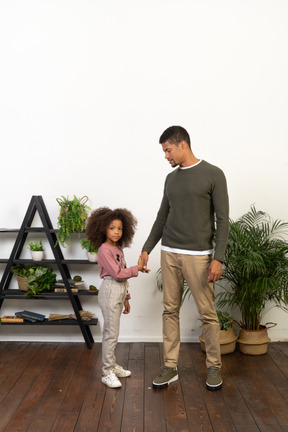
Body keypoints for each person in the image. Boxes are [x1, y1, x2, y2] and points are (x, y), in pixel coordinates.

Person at [141, 125, 229, 391]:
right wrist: (147, 248)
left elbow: (223, 219)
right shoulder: (171, 179)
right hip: (169, 252)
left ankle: (214, 368)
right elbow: (161, 217)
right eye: (164, 151)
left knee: (208, 314)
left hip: (200, 257)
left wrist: (219, 257)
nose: (166, 156)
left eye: (168, 150)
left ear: (182, 145)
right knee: (170, 310)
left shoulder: (213, 174)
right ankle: (170, 366)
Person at [86, 207, 148, 388]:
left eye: (119, 228)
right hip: (110, 290)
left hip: (119, 291)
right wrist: (138, 268)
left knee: (113, 332)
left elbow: (123, 278)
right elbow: (118, 274)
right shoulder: (104, 250)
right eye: (112, 228)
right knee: (110, 333)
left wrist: (127, 298)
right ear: (102, 228)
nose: (116, 232)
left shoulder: (118, 249)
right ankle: (106, 372)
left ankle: (112, 366)